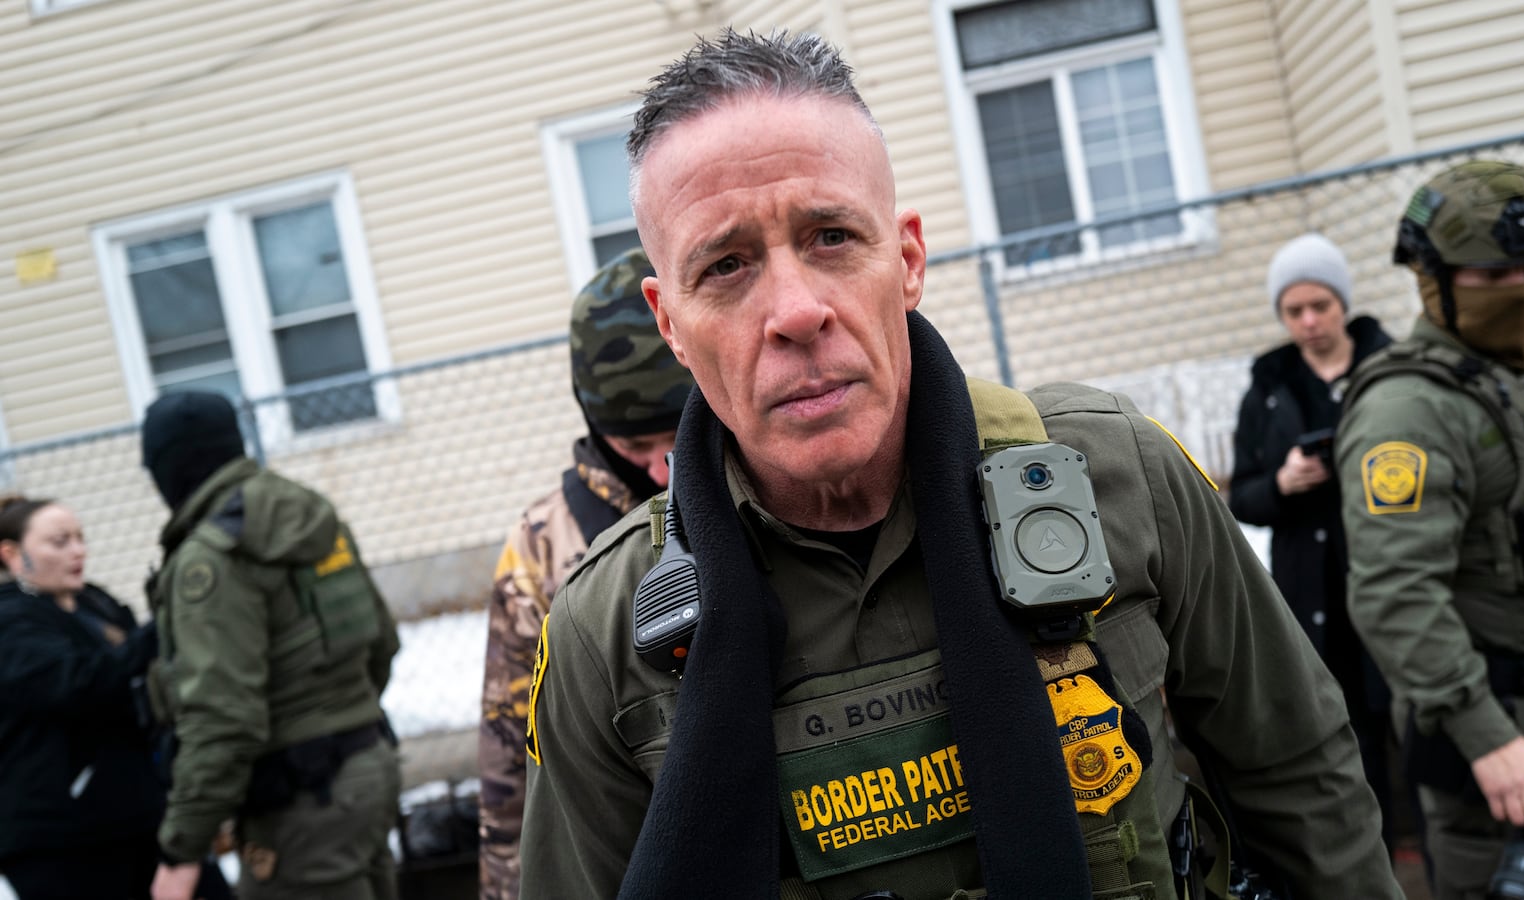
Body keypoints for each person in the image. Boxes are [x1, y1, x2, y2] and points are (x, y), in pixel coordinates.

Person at [519, 29, 1400, 900]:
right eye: (724, 266)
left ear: (906, 261)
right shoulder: (605, 634)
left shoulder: (1116, 475)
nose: (794, 312)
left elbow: (1302, 780)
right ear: (670, 323)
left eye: (831, 236)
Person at [1337, 159, 1524, 900]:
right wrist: (1489, 741)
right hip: (1511, 743)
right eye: (1494, 273)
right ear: (1433, 277)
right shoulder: (1409, 410)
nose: (1521, 286)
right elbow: (1395, 594)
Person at [477, 247, 693, 900]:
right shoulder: (542, 544)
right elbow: (511, 745)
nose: (660, 468)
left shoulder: (775, 484)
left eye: (678, 433)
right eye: (633, 446)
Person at [140, 391, 402, 900]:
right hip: (368, 767)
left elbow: (222, 718)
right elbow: (380, 644)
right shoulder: (308, 513)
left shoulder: (211, 558)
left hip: (302, 801)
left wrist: (181, 851)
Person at [1228, 233, 1398, 852]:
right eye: (1293, 310)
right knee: (1347, 721)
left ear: (1342, 303)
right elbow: (1242, 495)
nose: (1308, 322)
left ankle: (1428, 838)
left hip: (1387, 573)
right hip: (1313, 587)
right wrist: (1282, 483)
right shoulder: (1270, 389)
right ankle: (1377, 850)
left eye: (1320, 306)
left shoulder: (1390, 371)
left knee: (1407, 712)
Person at [0, 494, 167, 898]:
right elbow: (77, 683)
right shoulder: (11, 620)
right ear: (12, 555)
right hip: (63, 840)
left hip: (138, 817)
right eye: (60, 542)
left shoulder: (95, 602)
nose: (78, 551)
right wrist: (158, 630)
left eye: (80, 538)